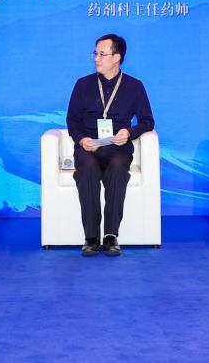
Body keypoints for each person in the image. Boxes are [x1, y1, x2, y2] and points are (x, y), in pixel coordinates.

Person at [65, 34, 155, 256]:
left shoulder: (134, 86)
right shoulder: (83, 85)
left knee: (117, 169)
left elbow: (147, 121)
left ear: (117, 57)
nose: (96, 58)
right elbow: (72, 121)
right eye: (95, 53)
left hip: (118, 147)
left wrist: (129, 133)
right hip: (88, 146)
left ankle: (111, 236)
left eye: (102, 54)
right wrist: (82, 140)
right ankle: (91, 237)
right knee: (87, 169)